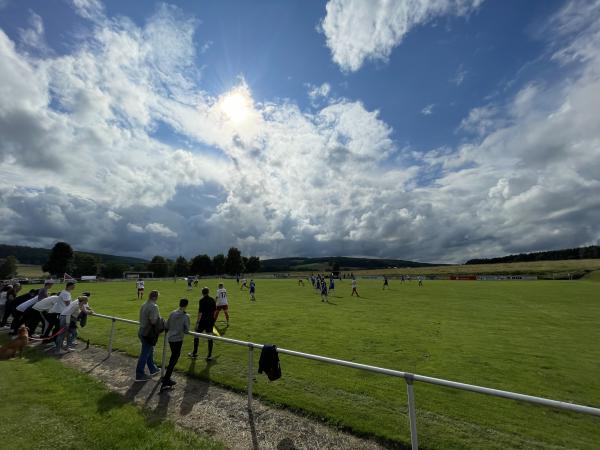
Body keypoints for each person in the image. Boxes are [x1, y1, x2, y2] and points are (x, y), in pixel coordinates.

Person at [161, 298, 190, 389]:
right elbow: (187, 330)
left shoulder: (172, 313)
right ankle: (166, 379)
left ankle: (166, 378)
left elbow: (167, 325)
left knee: (173, 358)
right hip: (178, 340)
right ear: (186, 305)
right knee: (174, 359)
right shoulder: (186, 316)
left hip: (170, 339)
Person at [136, 290, 162, 381]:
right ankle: (139, 374)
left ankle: (153, 369)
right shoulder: (154, 306)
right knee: (145, 353)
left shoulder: (144, 304)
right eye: (157, 297)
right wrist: (161, 320)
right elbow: (153, 321)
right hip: (148, 333)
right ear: (155, 297)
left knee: (149, 351)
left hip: (141, 331)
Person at [189, 287, 216, 361]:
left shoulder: (201, 300)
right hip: (210, 320)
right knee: (210, 337)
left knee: (196, 335)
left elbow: (200, 312)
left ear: (202, 292)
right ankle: (209, 355)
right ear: (208, 292)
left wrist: (197, 322)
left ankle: (194, 353)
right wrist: (213, 320)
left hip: (203, 320)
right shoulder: (212, 299)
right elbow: (214, 311)